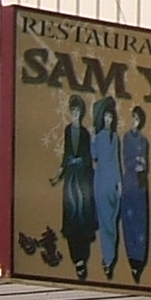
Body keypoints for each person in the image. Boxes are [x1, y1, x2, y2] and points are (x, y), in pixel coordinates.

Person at [56, 97, 96, 279]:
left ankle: (82, 258)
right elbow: (66, 154)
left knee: (83, 213)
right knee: (71, 214)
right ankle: (76, 258)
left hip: (82, 178)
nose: (75, 114)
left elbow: (88, 156)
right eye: (73, 111)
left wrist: (81, 162)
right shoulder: (67, 130)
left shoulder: (85, 134)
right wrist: (59, 172)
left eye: (78, 111)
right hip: (71, 178)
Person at [91, 96, 124, 279]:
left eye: (110, 117)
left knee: (112, 220)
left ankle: (110, 258)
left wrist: (119, 182)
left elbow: (117, 160)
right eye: (105, 116)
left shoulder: (115, 138)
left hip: (112, 179)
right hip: (102, 179)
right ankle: (107, 258)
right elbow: (94, 156)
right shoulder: (98, 137)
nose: (108, 120)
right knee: (105, 221)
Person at [121, 105, 151, 285]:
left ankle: (139, 259)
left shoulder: (144, 140)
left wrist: (142, 166)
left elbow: (145, 160)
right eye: (133, 118)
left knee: (141, 220)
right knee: (129, 219)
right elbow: (127, 158)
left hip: (141, 182)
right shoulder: (127, 137)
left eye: (137, 119)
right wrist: (136, 164)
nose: (134, 121)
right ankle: (131, 256)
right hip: (131, 180)